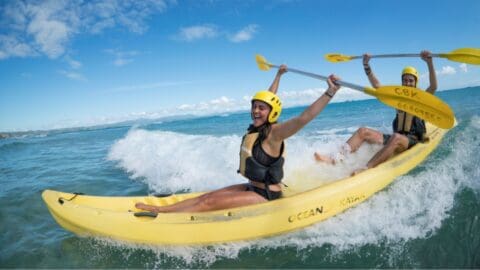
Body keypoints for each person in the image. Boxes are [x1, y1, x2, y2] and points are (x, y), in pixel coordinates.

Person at [135, 65, 341, 213]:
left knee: (206, 205)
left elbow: (304, 117)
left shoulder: (275, 134)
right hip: (252, 187)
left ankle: (159, 213)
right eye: (254, 106)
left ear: (272, 113)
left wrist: (330, 91)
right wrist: (279, 75)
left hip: (266, 195)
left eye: (261, 108)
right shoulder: (257, 129)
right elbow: (270, 96)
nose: (256, 111)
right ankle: (164, 208)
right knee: (205, 197)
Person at [314, 50, 437, 174]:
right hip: (396, 138)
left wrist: (429, 62)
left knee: (396, 137)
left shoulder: (422, 99)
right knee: (363, 131)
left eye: (411, 80)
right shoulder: (397, 98)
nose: (407, 83)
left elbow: (433, 86)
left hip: (411, 140)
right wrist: (366, 65)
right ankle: (335, 159)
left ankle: (367, 168)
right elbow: (377, 86)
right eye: (405, 80)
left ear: (416, 82)